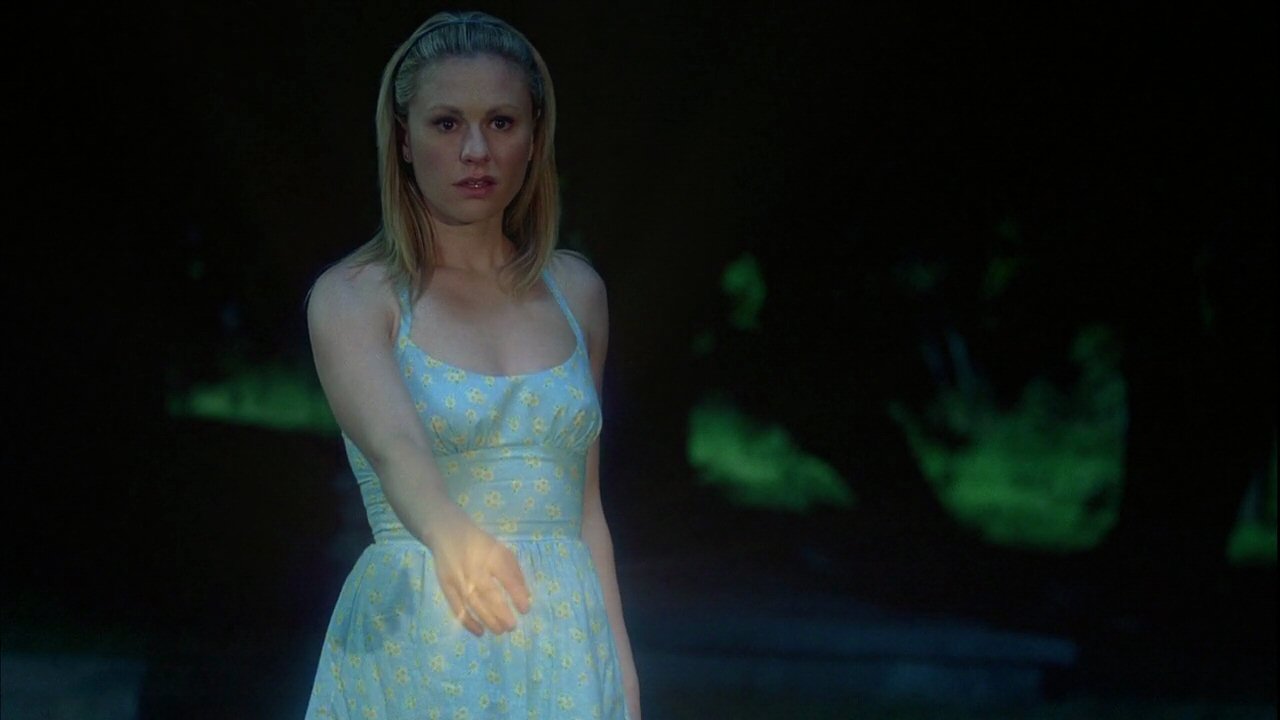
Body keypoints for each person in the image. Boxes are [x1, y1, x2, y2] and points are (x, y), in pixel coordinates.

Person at [302, 11, 640, 719]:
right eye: (447, 123)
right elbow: (396, 448)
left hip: (565, 652)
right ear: (404, 138)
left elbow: (587, 514)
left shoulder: (577, 292)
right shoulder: (356, 297)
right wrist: (449, 530)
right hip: (420, 643)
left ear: (534, 138)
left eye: (502, 123)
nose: (476, 150)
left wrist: (624, 692)